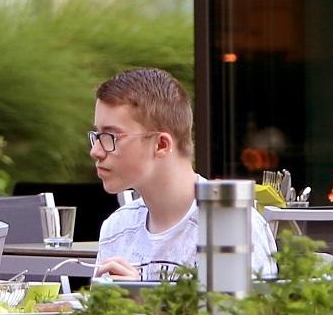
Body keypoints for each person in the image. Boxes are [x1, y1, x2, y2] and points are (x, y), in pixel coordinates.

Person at [89, 67, 276, 281]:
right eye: (97, 135)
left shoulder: (230, 227)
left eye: (111, 137)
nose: (95, 151)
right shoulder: (118, 228)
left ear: (161, 144)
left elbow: (245, 305)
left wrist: (140, 296)